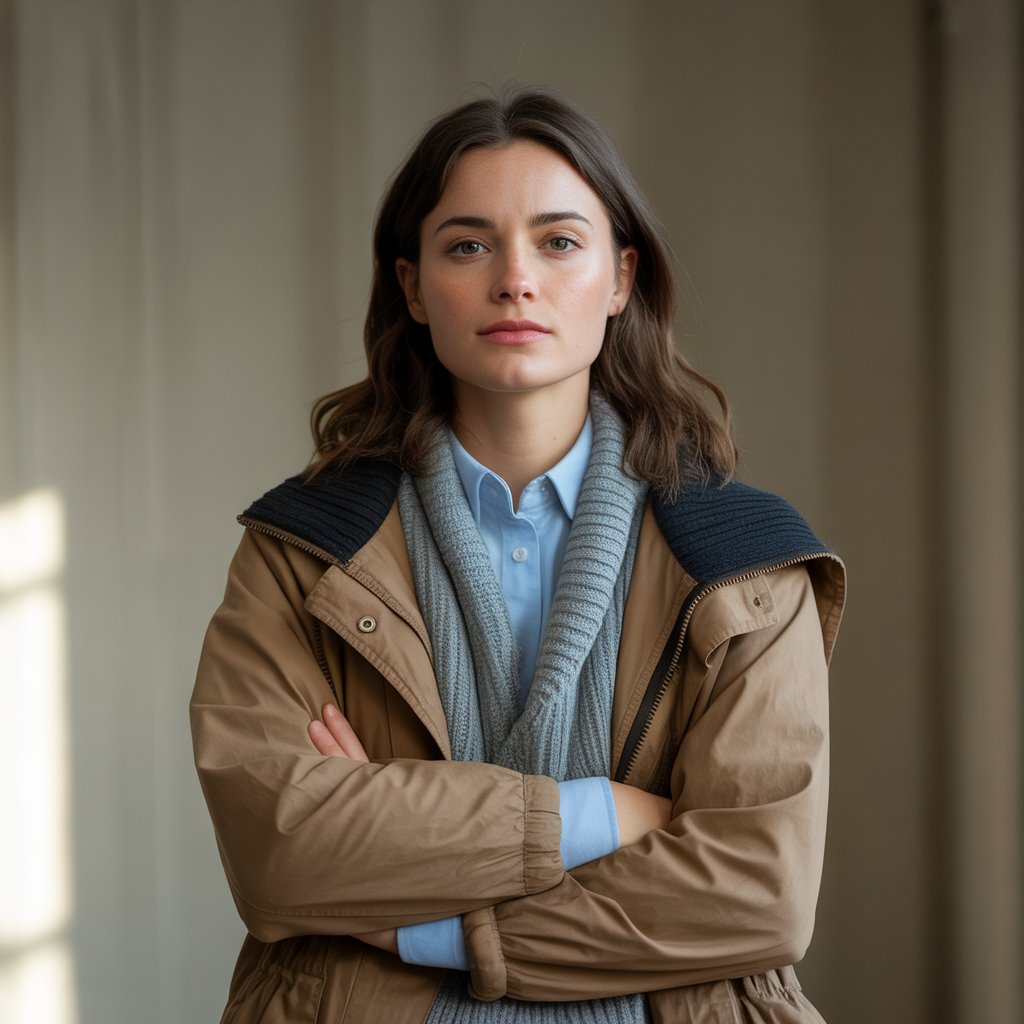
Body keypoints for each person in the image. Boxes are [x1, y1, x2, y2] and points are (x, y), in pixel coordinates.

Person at [190, 87, 846, 1024]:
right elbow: (285, 852)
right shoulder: (301, 555)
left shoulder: (747, 562)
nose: (515, 279)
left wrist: (437, 925)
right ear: (413, 286)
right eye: (467, 245)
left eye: (559, 241)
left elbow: (758, 893)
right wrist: (603, 815)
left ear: (621, 279)